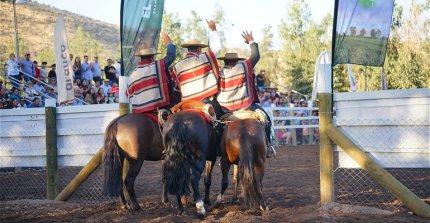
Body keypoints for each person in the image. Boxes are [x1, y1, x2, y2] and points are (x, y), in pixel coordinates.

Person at [216, 30, 276, 157]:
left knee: (214, 124)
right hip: (245, 107)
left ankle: (215, 147)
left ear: (225, 62)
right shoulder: (243, 67)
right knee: (266, 119)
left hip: (225, 110)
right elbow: (256, 56)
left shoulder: (219, 72)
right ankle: (268, 146)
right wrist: (251, 41)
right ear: (236, 61)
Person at [172, 19, 223, 117]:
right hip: (204, 101)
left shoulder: (178, 65)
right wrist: (214, 30)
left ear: (188, 49)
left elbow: (176, 85)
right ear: (199, 49)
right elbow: (217, 47)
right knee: (220, 117)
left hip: (186, 104)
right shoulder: (204, 58)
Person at [127, 32, 176, 113]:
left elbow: (128, 95)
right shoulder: (156, 66)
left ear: (140, 57)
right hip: (156, 108)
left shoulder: (132, 75)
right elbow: (171, 56)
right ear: (152, 56)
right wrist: (169, 43)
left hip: (138, 111)